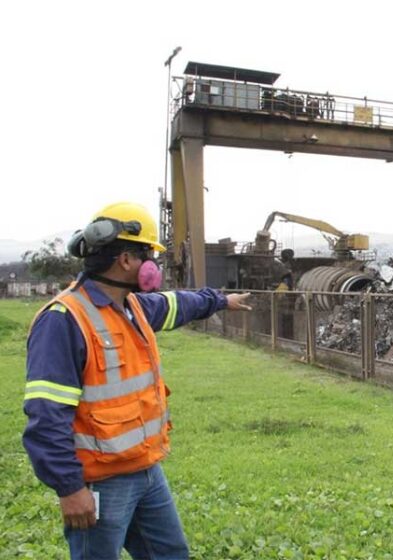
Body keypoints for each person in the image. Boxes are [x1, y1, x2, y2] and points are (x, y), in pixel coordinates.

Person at [22, 202, 251, 559]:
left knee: (171, 554)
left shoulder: (134, 308)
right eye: (148, 254)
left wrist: (220, 300)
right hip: (100, 480)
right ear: (126, 260)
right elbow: (46, 414)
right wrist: (70, 488)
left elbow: (179, 303)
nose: (153, 264)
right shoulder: (63, 320)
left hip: (145, 471)